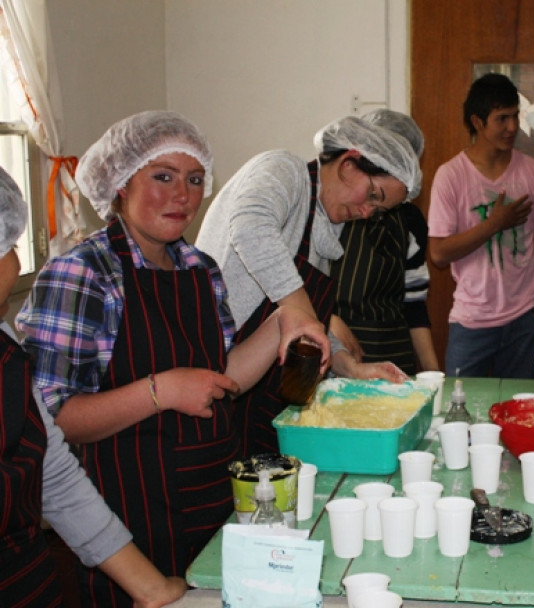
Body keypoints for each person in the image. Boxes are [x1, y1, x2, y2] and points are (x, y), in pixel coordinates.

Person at [16, 111, 308, 606]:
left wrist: (287, 319)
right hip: (131, 517)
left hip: (210, 497)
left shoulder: (200, 268)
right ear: (120, 184)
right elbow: (52, 421)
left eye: (195, 180)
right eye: (163, 176)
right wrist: (160, 391)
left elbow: (221, 380)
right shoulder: (81, 273)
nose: (184, 195)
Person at [1, 167, 187, 608]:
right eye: (8, 247)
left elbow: (51, 471)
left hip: (25, 578)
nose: (17, 262)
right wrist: (160, 391)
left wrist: (150, 587)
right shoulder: (81, 270)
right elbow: (65, 413)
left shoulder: (4, 346)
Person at [196, 115, 421, 456]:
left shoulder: (326, 230)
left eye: (376, 209)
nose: (365, 212)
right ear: (349, 162)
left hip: (263, 394)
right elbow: (251, 227)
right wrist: (301, 312)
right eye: (372, 195)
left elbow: (306, 320)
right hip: (216, 373)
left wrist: (350, 368)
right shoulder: (285, 170)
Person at [427, 72, 534, 378]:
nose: (512, 127)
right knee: (459, 412)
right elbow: (438, 253)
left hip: (525, 319)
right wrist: (495, 223)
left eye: (515, 116)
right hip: (471, 322)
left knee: (518, 411)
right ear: (477, 122)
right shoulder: (451, 175)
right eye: (502, 119)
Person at [328, 109, 439, 374]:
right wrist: (326, 320)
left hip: (394, 356)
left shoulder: (409, 220)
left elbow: (414, 304)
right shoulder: (333, 210)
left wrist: (434, 373)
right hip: (336, 352)